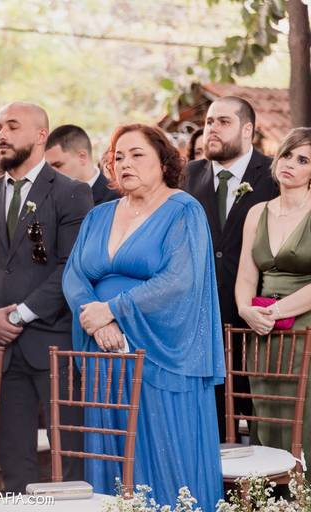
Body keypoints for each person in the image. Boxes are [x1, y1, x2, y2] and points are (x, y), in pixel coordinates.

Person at [64, 123, 225, 510]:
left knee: (166, 455)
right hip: (105, 351)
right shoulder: (98, 215)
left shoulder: (183, 210)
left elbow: (179, 280)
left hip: (160, 351)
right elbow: (74, 275)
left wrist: (113, 309)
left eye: (137, 155)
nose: (125, 163)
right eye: (118, 156)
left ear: (163, 162)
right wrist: (99, 321)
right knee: (112, 456)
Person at [0, 102, 92, 492]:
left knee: (70, 456)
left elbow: (71, 267)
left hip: (54, 343)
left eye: (12, 126)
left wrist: (18, 315)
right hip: (0, 349)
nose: (1, 134)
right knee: (13, 459)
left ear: (40, 135)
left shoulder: (72, 193)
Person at [185, 96, 277, 440]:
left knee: (262, 425)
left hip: (259, 323)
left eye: (223, 122)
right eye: (209, 121)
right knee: (212, 427)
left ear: (247, 129)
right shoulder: (186, 176)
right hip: (202, 323)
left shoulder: (274, 175)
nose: (212, 129)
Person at [234, 127, 311, 478]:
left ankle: (303, 494)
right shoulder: (257, 212)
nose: (290, 163)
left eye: (303, 160)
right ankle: (272, 494)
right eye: (287, 155)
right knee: (265, 414)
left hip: (304, 330)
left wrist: (276, 311)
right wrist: (246, 310)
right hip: (262, 334)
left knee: (304, 417)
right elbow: (246, 275)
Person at [45, 124, 120, 206]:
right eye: (48, 167)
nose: (51, 173)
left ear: (82, 157)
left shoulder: (117, 199)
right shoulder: (49, 198)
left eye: (58, 165)